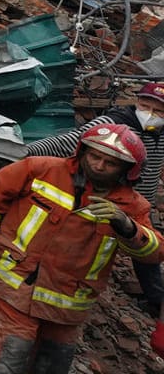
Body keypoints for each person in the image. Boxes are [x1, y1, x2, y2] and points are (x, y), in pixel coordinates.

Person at [0, 124, 161, 373]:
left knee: (54, 360)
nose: (99, 166)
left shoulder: (132, 206)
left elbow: (154, 252)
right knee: (10, 353)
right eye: (95, 157)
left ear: (127, 170)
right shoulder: (41, 169)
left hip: (69, 300)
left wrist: (127, 226)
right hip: (18, 281)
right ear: (82, 151)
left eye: (110, 163)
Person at [24, 81, 164, 315]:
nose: (150, 115)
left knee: (144, 247)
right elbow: (70, 141)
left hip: (138, 203)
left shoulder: (159, 133)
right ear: (136, 102)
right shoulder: (114, 124)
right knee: (90, 240)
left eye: (158, 111)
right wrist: (27, 151)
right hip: (106, 195)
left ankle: (156, 300)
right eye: (145, 105)